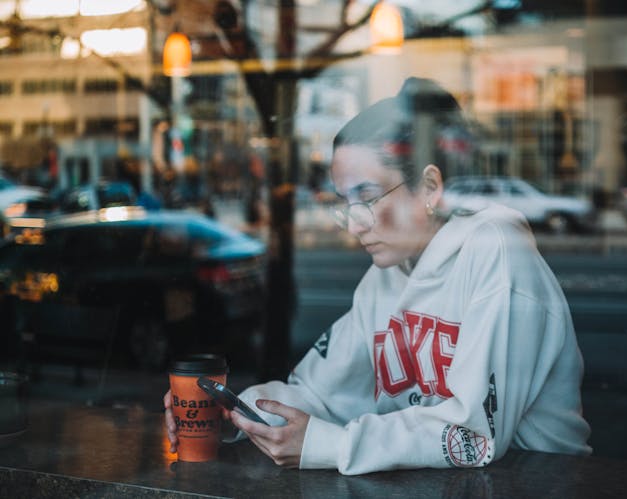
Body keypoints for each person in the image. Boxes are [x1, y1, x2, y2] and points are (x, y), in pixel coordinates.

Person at [164, 77, 591, 475]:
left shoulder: (495, 251)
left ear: (429, 188)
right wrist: (232, 413)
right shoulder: (384, 278)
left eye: (366, 198)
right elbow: (320, 394)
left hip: (537, 482)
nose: (354, 225)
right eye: (344, 203)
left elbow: (474, 436)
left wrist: (332, 446)